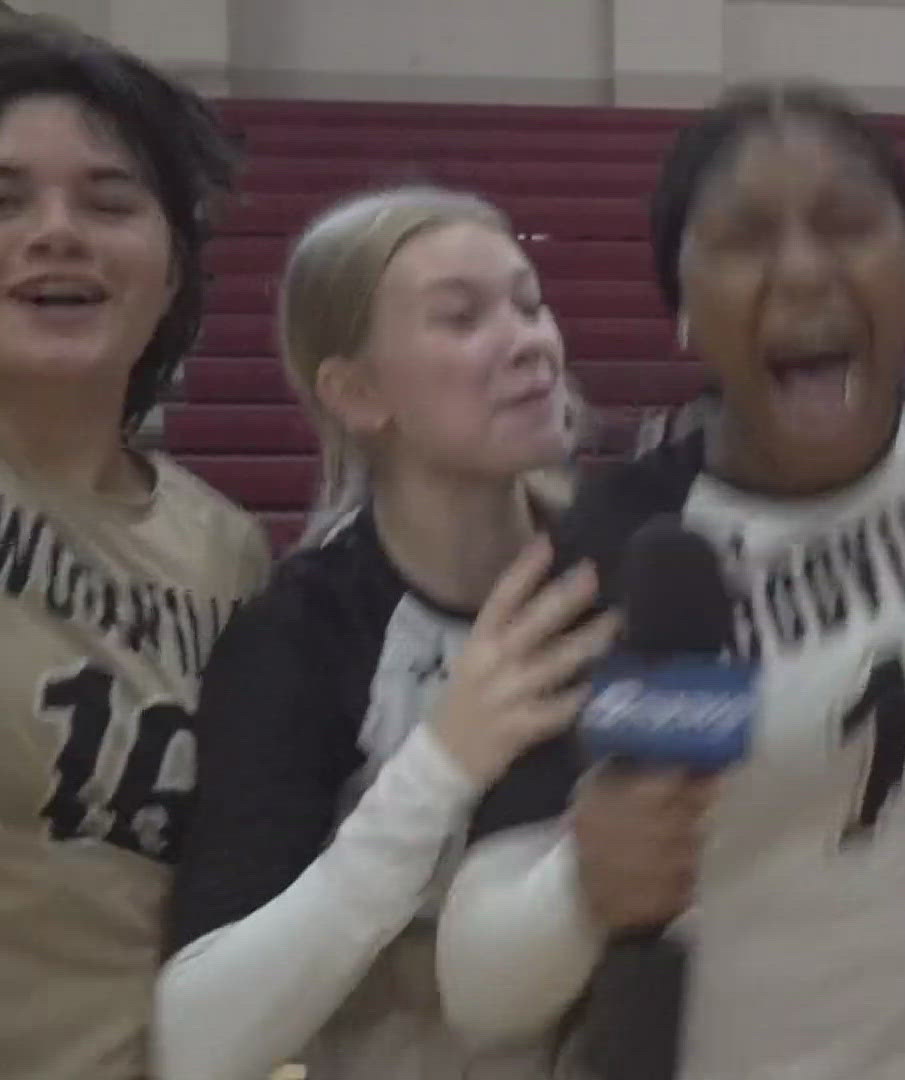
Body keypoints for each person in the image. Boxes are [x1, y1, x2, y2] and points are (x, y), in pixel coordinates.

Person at [435, 82, 905, 1079]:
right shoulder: (630, 547)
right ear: (682, 314)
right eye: (743, 237)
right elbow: (479, 986)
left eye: (849, 224)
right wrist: (580, 887)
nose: (804, 269)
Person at [156, 188, 622, 1080]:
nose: (529, 341)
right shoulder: (301, 636)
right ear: (358, 393)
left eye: (531, 303)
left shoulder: (630, 569)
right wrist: (445, 762)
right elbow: (200, 1042)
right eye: (461, 317)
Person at [0, 21, 270, 1080]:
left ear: (170, 277)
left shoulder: (229, 552)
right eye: (5, 201)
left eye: (109, 202)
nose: (56, 232)